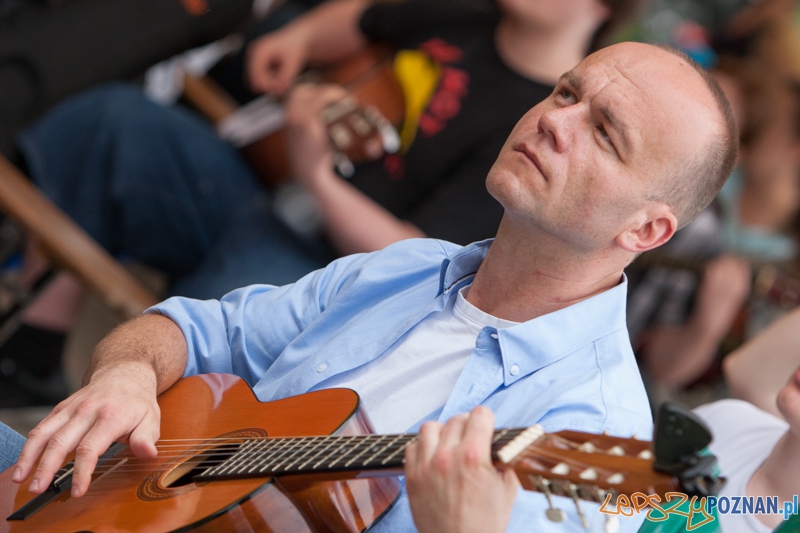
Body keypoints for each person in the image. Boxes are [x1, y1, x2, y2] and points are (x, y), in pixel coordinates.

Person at [4, 41, 738, 532]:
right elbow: (199, 329)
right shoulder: (408, 268)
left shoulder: (600, 434)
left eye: (604, 132)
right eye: (565, 92)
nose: (555, 120)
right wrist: (130, 372)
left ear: (646, 231)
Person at [16, 0, 637, 300]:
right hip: (256, 188)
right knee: (113, 121)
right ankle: (38, 329)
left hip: (328, 274)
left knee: (229, 323)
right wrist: (300, 38)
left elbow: (418, 254)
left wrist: (319, 178)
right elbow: (367, 16)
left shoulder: (547, 123)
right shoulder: (469, 11)